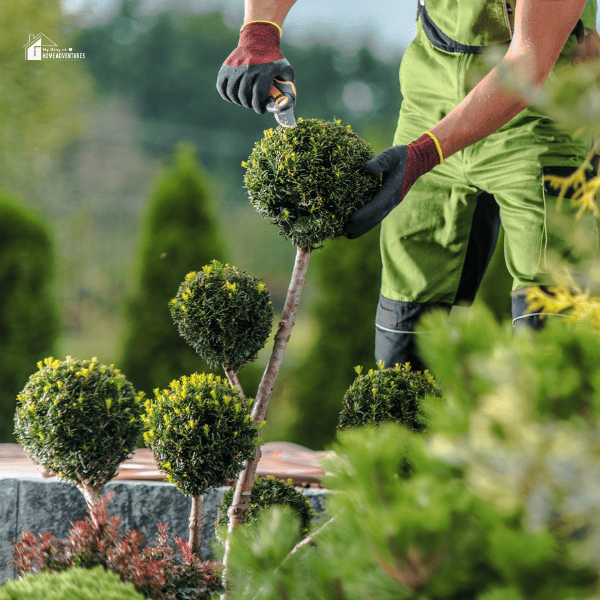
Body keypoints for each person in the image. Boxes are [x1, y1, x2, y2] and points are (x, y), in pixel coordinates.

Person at [217, 0, 600, 371]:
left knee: (553, 333)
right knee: (405, 338)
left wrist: (423, 155)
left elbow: (529, 60)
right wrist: (259, 32)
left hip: (542, 103)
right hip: (430, 90)